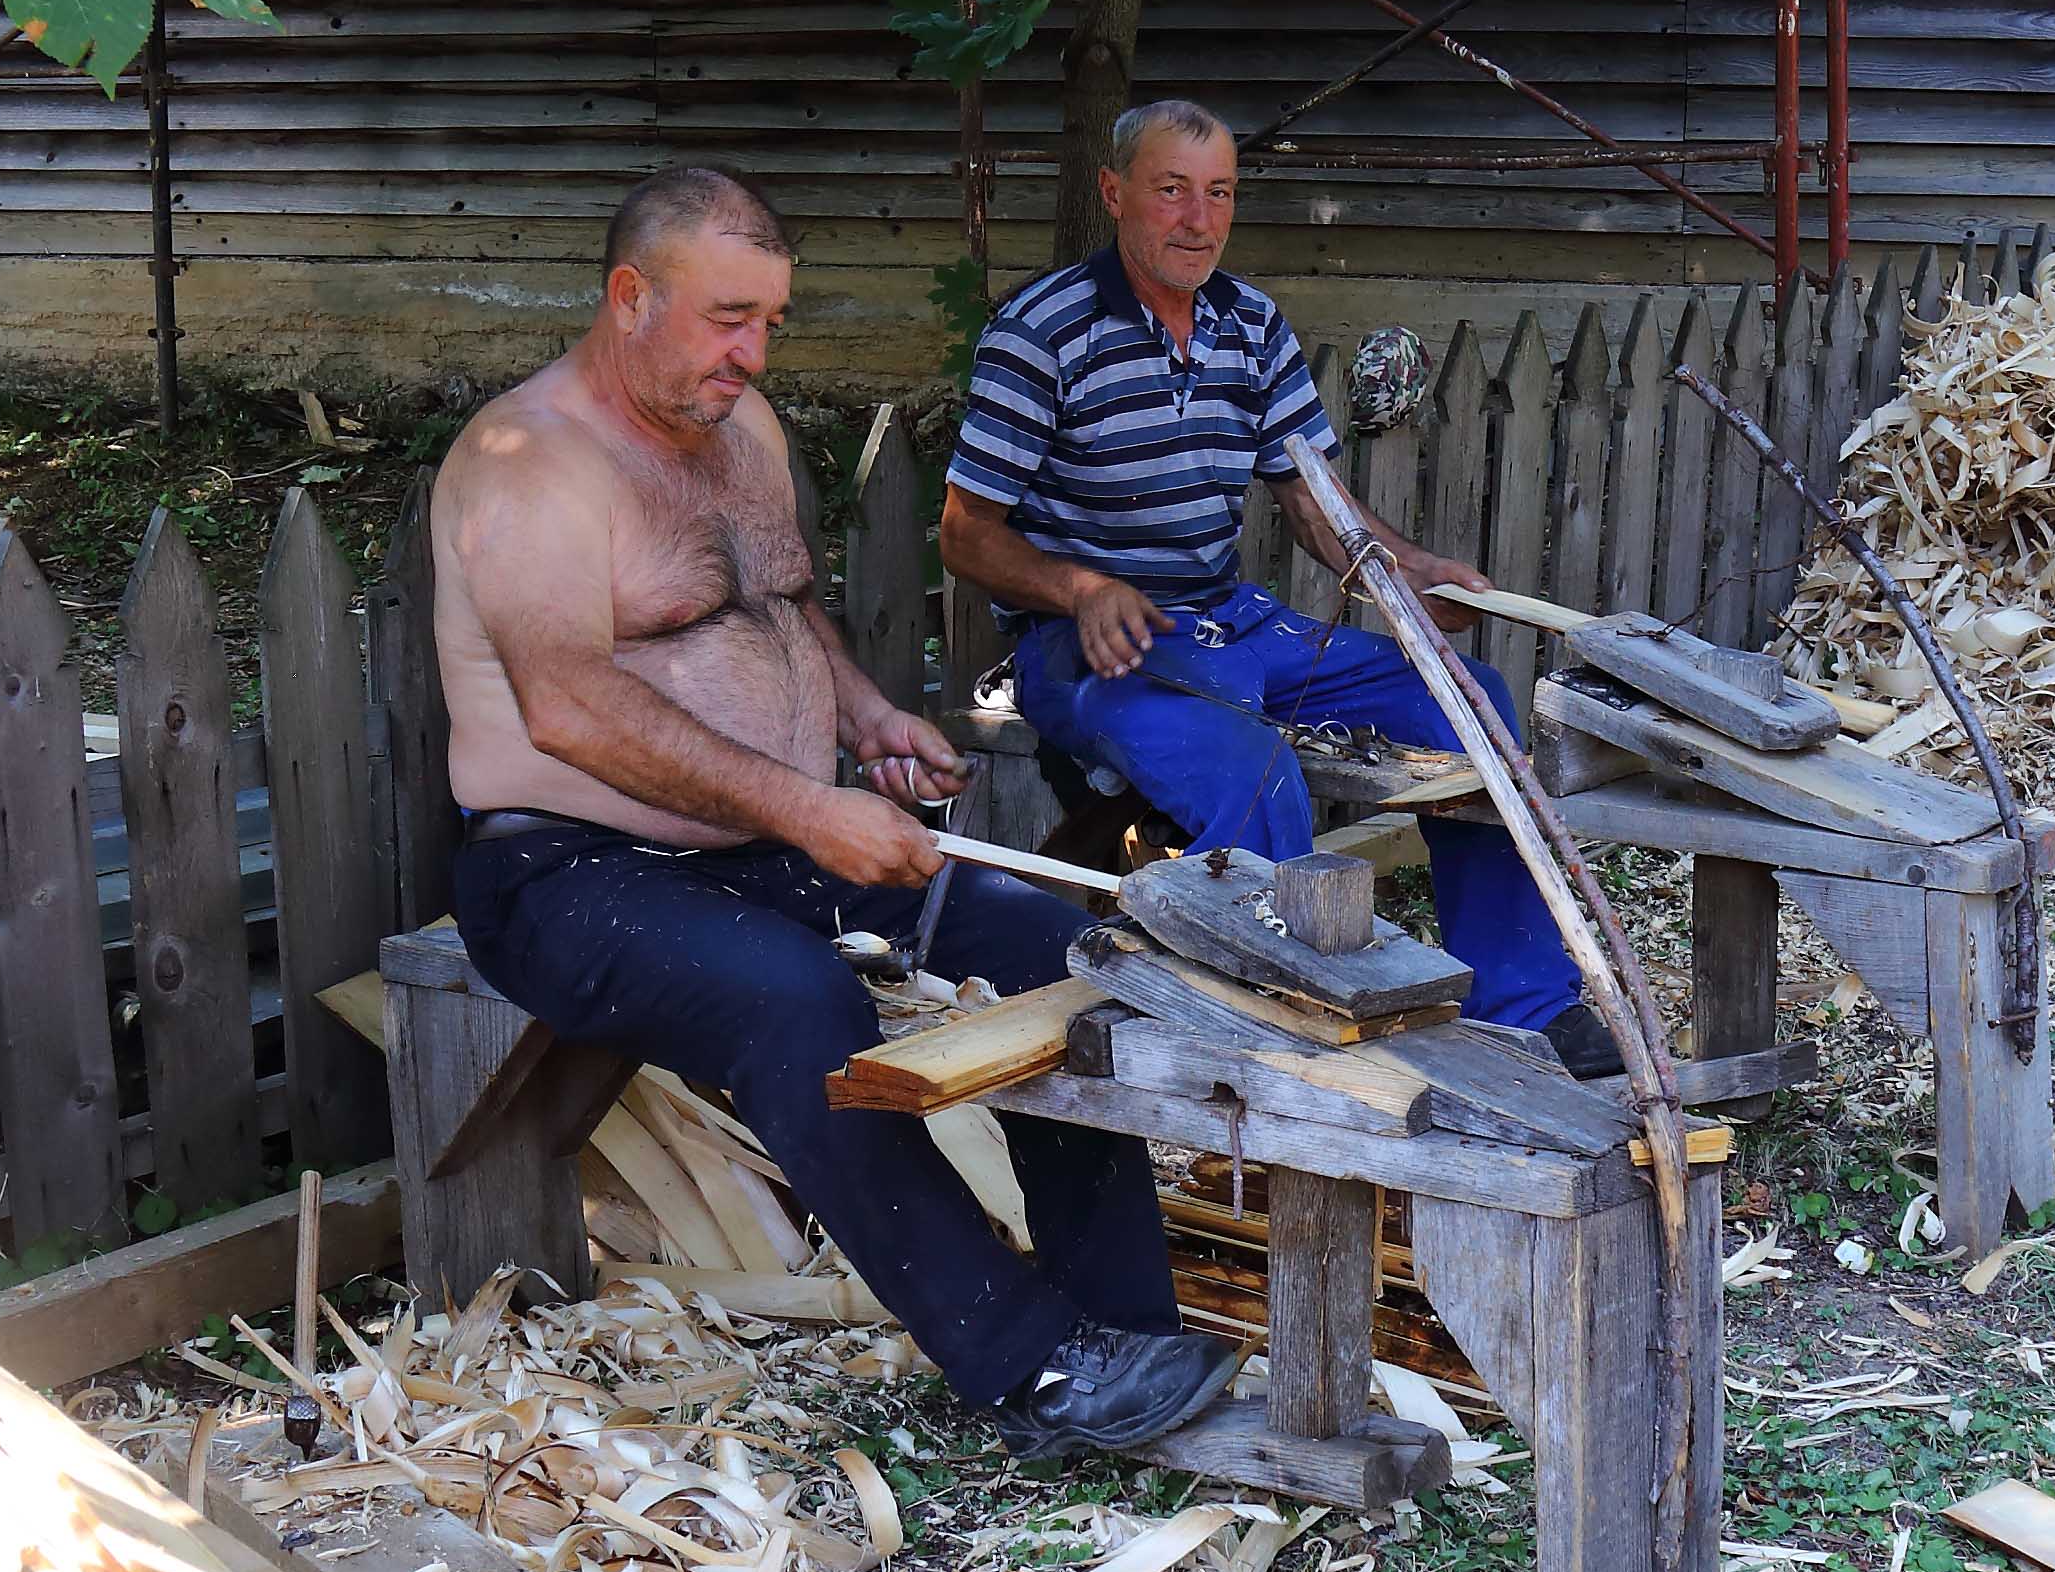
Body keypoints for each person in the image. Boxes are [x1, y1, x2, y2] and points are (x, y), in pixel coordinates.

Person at [430, 165, 1238, 1457]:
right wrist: (812, 805)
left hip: (768, 842)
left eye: (771, 323)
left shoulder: (736, 433)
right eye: (725, 318)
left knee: (1059, 953)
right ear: (630, 297)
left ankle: (1117, 1327)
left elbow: (782, 607)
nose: (751, 355)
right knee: (798, 1003)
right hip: (569, 875)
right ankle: (1029, 1369)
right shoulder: (533, 464)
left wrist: (864, 719)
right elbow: (570, 706)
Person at [936, 101, 1611, 1075]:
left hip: (1232, 625)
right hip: (1089, 650)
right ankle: (1295, 1041)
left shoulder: (1247, 324)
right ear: (1114, 192)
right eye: (1171, 191)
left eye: (1218, 195)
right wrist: (1080, 588)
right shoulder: (1040, 335)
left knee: (1473, 704)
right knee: (1251, 774)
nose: (1197, 220)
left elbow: (1310, 499)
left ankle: (1525, 1008)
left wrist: (1405, 573)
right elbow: (965, 534)